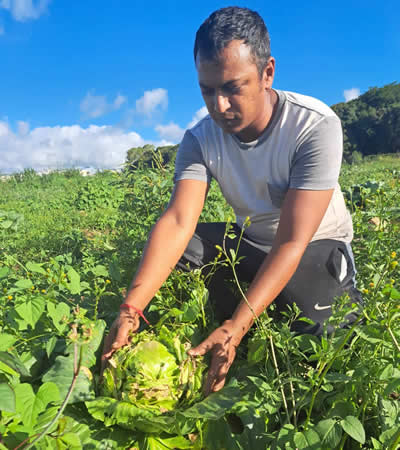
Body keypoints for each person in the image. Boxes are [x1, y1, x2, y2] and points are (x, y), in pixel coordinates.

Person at [102, 6, 362, 396]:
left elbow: (292, 241)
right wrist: (131, 307)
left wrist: (236, 327)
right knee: (183, 250)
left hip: (314, 246)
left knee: (319, 338)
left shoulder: (314, 126)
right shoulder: (200, 139)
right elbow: (178, 221)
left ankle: (246, 319)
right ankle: (218, 326)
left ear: (267, 72)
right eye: (207, 90)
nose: (219, 105)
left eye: (232, 87)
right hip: (252, 244)